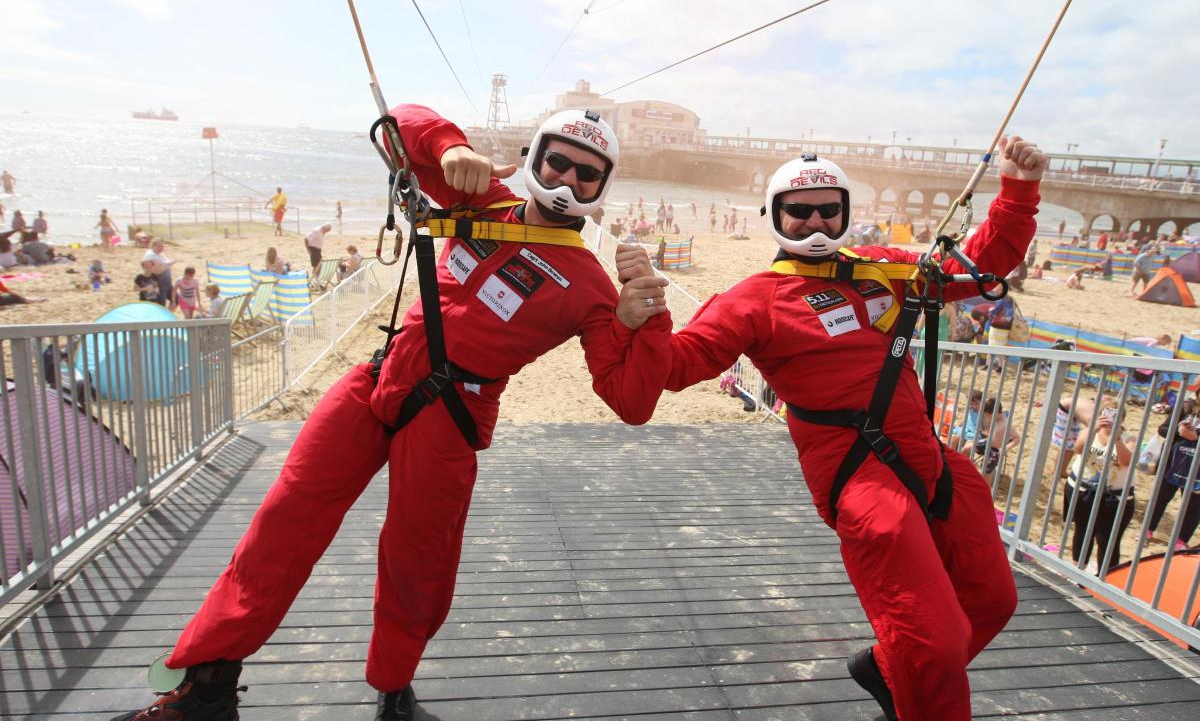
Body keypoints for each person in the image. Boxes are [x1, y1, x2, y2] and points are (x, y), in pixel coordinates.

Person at [111, 104, 671, 721]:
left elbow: (630, 399)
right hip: (379, 380)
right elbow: (396, 126)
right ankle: (208, 684)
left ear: (601, 187)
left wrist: (642, 320)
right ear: (535, 158)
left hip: (452, 416)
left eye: (585, 175)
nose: (567, 181)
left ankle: (393, 692)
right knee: (282, 519)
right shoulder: (480, 201)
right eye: (557, 162)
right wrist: (452, 147)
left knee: (418, 562)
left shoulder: (590, 283)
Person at [616, 136, 1047, 721]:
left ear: (845, 213)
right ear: (775, 217)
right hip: (863, 483)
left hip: (933, 462)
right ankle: (911, 681)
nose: (816, 220)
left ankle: (890, 670)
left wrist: (1017, 193)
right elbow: (675, 365)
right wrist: (646, 313)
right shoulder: (754, 301)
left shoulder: (883, 271)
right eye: (800, 210)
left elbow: (976, 271)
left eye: (829, 208)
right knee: (933, 641)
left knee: (992, 600)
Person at [1062, 404, 1135, 573]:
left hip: (1114, 497)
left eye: (1115, 417)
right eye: (1107, 415)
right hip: (1083, 490)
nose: (1109, 420)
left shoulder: (1128, 438)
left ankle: (1107, 578)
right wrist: (1095, 427)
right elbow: (1078, 449)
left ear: (1122, 420)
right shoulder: (1090, 432)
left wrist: (1116, 439)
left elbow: (1127, 462)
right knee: (1082, 531)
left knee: (1108, 539)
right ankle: (1077, 571)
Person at [1145, 393, 1200, 550]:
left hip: (1197, 469)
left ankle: (1180, 541)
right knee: (1160, 497)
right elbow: (1163, 429)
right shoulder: (1185, 406)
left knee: (1193, 505)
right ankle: (1147, 531)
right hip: (1173, 462)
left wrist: (1196, 437)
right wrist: (1179, 431)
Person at [142, 239, 174, 305]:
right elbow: (155, 271)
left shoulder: (159, 253)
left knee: (175, 300)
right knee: (161, 305)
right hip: (159, 284)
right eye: (158, 246)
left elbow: (164, 263)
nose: (161, 248)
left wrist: (168, 264)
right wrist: (170, 263)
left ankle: (167, 315)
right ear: (153, 246)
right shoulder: (150, 256)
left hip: (166, 283)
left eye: (162, 246)